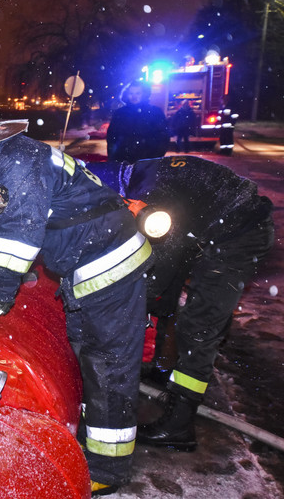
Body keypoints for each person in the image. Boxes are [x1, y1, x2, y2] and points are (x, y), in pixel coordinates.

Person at [0, 98, 153, 495]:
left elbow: (16, 243)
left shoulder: (17, 163)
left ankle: (108, 470)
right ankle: (95, 436)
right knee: (89, 357)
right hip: (86, 264)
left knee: (107, 364)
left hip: (110, 264)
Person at [85, 156, 274, 452]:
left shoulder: (155, 196)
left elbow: (157, 268)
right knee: (169, 294)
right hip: (206, 226)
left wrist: (123, 305)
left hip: (238, 236)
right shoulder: (144, 172)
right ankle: (163, 368)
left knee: (198, 328)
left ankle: (179, 425)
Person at [106, 80, 169, 163]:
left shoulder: (155, 112)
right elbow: (112, 136)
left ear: (144, 94)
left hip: (147, 161)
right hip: (123, 160)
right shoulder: (120, 113)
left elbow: (163, 137)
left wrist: (155, 158)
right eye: (131, 93)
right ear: (127, 94)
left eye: (138, 93)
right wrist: (114, 158)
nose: (134, 96)